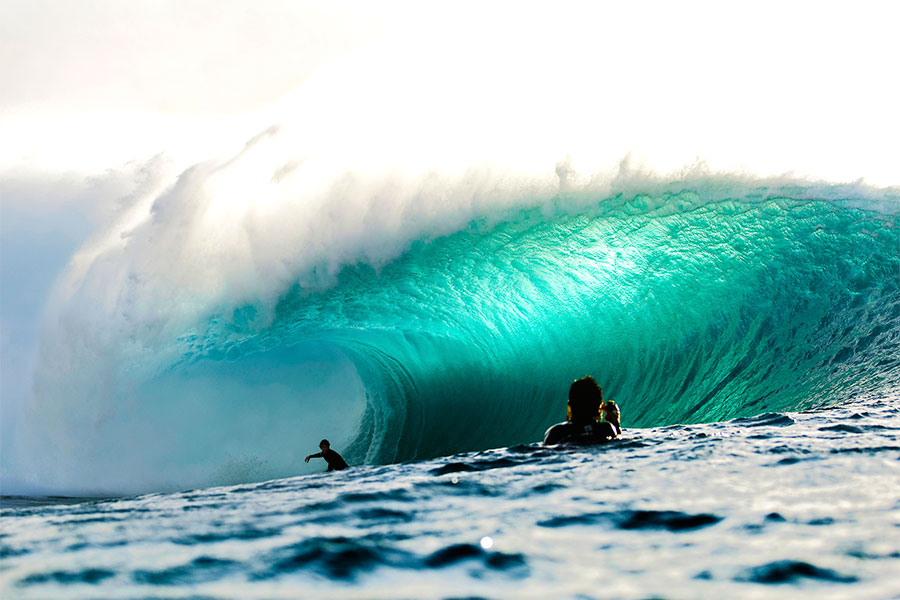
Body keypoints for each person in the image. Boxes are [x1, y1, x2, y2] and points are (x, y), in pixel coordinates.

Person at [543, 376, 621, 445]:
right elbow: (617, 442)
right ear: (598, 407)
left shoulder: (556, 432)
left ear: (571, 405)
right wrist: (616, 423)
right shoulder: (605, 429)